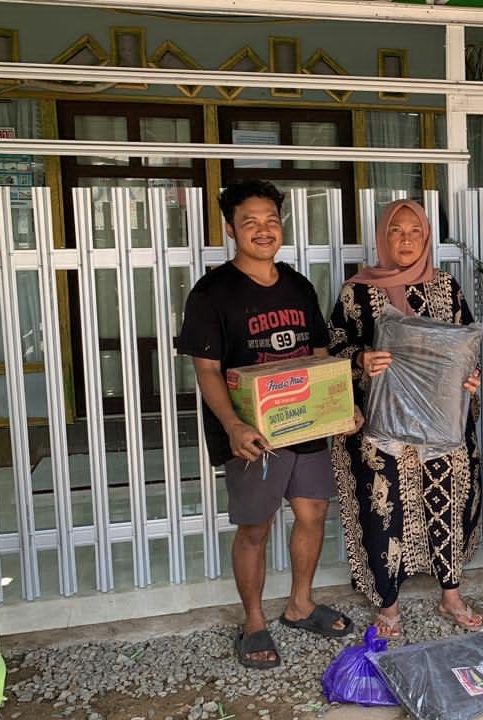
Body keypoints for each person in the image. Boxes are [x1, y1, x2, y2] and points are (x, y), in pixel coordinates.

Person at [177, 179, 352, 670]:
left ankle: (300, 605)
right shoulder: (212, 293)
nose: (263, 230)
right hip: (252, 434)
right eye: (249, 221)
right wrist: (233, 426)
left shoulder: (298, 285)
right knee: (255, 527)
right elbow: (206, 370)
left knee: (312, 512)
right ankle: (254, 621)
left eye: (271, 220)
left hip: (306, 423)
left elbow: (319, 354)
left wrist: (341, 406)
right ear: (230, 228)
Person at [328, 199, 483, 638]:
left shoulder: (446, 287)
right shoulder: (357, 292)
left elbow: (467, 346)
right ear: (383, 236)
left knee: (446, 500)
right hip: (384, 427)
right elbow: (333, 347)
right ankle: (388, 603)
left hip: (441, 425)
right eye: (396, 230)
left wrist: (471, 378)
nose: (406, 239)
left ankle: (451, 593)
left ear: (427, 237)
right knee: (385, 509)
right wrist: (361, 359)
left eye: (415, 231)